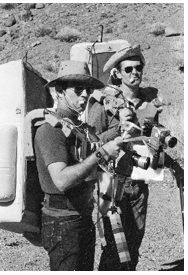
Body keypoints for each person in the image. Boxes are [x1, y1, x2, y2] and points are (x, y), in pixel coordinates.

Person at [85, 45, 178, 270]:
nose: (134, 73)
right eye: (128, 69)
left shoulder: (150, 102)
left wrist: (171, 162)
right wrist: (119, 129)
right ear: (117, 73)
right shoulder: (104, 103)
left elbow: (155, 138)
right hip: (111, 182)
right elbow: (91, 142)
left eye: (138, 68)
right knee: (115, 246)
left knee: (133, 245)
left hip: (141, 181)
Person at [33, 60, 124, 271]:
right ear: (59, 92)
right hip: (62, 222)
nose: (85, 95)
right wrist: (102, 153)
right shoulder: (50, 130)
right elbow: (62, 180)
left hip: (81, 216)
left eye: (88, 90)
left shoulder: (79, 129)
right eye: (78, 89)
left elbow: (94, 150)